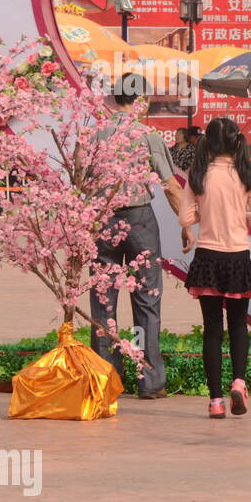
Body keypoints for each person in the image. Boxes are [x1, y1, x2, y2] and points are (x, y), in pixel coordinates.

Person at [90, 73, 186, 400]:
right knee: (147, 298)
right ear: (140, 100)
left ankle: (106, 379)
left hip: (101, 219)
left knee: (103, 299)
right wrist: (186, 222)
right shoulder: (147, 135)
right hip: (139, 219)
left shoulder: (92, 134)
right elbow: (171, 186)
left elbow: (78, 179)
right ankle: (149, 380)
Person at [179, 117, 251, 419]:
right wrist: (238, 211)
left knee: (212, 331)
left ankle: (215, 400)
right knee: (239, 326)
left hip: (207, 256)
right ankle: (240, 382)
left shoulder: (198, 175)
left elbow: (185, 218)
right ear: (236, 143)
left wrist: (205, 211)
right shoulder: (246, 175)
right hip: (237, 256)